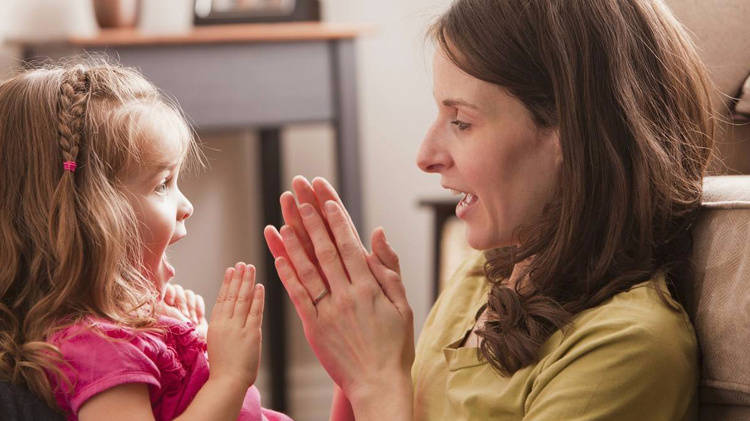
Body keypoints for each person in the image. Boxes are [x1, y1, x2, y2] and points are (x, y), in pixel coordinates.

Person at [264, 0, 715, 419]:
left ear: (572, 135)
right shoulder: (479, 282)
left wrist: (377, 380)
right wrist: (355, 364)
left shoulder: (627, 348)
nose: (425, 155)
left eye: (461, 121)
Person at [0, 60, 292, 421]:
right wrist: (229, 377)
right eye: (162, 184)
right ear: (93, 219)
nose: (186, 206)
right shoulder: (98, 350)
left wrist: (195, 346)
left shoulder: (120, 330)